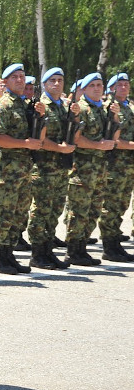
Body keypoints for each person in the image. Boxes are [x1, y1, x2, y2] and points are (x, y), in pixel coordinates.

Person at [0, 63, 43, 274]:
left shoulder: (27, 104)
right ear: (7, 81)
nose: (20, 80)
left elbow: (38, 137)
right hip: (7, 170)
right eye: (15, 77)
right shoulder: (5, 105)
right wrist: (25, 143)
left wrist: (41, 116)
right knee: (3, 213)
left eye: (22, 77)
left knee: (19, 213)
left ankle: (9, 254)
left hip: (24, 169)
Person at [63, 73, 117, 265]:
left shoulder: (103, 109)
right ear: (84, 89)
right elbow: (75, 139)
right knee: (79, 210)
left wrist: (115, 116)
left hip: (99, 169)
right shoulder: (82, 109)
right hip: (83, 168)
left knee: (93, 210)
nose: (97, 88)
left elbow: (113, 137)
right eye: (92, 85)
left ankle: (82, 247)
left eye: (99, 85)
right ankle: (73, 250)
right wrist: (98, 145)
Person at [28, 68, 77, 270]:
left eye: (60, 80)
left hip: (60, 168)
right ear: (45, 84)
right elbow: (39, 139)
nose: (57, 84)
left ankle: (48, 250)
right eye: (52, 81)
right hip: (44, 167)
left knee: (55, 209)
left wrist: (74, 116)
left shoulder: (63, 106)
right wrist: (60, 149)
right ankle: (38, 254)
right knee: (41, 210)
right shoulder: (41, 106)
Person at [98, 73, 134, 261]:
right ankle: (108, 245)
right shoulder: (109, 109)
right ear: (111, 88)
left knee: (122, 204)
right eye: (120, 84)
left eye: (126, 84)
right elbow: (113, 139)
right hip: (114, 164)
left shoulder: (129, 108)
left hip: (128, 166)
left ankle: (115, 241)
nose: (124, 87)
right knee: (110, 205)